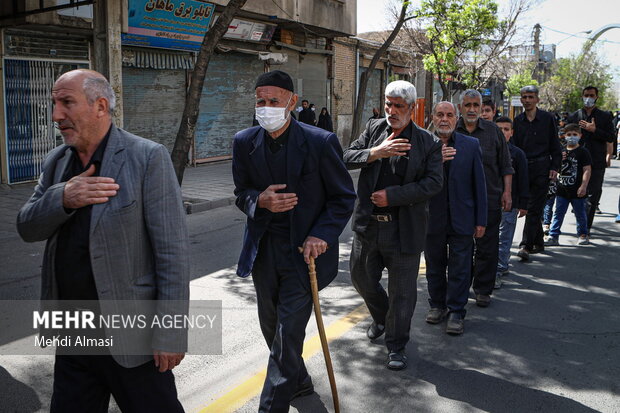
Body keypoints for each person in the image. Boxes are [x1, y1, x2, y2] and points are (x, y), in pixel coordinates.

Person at [16, 69, 189, 412]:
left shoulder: (146, 157)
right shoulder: (57, 162)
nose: (56, 116)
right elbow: (27, 227)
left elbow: (172, 253)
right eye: (54, 104)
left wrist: (170, 332)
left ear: (100, 106)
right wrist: (64, 196)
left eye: (66, 103)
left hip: (131, 337)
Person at [232, 70, 355, 412]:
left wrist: (321, 235)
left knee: (287, 337)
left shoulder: (320, 142)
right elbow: (241, 194)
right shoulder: (244, 141)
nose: (266, 107)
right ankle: (299, 381)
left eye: (273, 101)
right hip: (264, 251)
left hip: (304, 255)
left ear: (291, 102)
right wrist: (261, 201)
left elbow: (343, 197)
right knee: (270, 327)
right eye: (261, 101)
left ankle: (271, 407)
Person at [344, 80, 443, 370]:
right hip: (368, 226)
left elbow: (434, 183)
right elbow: (346, 157)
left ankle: (397, 345)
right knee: (361, 279)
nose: (392, 110)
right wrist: (376, 152)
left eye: (398, 106)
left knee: (403, 294)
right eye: (388, 104)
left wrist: (393, 196)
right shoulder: (374, 129)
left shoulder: (428, 143)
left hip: (404, 230)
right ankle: (381, 317)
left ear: (412, 108)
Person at [424, 102, 487, 335]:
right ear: (432, 117)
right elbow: (414, 180)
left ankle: (457, 311)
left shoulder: (471, 145)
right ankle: (437, 305)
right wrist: (435, 161)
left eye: (449, 115)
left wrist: (481, 220)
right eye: (439, 114)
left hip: (463, 218)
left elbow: (479, 185)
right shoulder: (423, 145)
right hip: (432, 218)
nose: (444, 119)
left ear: (456, 118)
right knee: (435, 265)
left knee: (461, 267)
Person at [456, 89, 513, 307]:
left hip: (489, 198)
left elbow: (506, 164)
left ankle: (482, 289)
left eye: (475, 105)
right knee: (461, 247)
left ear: (481, 108)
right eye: (467, 105)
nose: (471, 109)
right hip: (460, 201)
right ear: (461, 107)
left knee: (487, 247)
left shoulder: (492, 131)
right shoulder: (452, 128)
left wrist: (507, 192)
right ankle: (461, 286)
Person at [512, 85, 563, 261]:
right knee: (528, 204)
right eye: (524, 97)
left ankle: (525, 245)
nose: (527, 100)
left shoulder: (547, 119)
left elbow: (555, 145)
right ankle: (539, 242)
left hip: (542, 167)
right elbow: (515, 147)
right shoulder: (517, 121)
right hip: (523, 168)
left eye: (530, 97)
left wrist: (555, 167)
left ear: (537, 99)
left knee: (534, 208)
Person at [567, 86, 616, 235]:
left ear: (596, 97)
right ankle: (580, 218)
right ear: (582, 96)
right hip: (576, 162)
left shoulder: (605, 117)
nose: (588, 98)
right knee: (576, 193)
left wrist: (594, 130)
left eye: (591, 95)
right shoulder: (575, 116)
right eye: (586, 95)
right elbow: (566, 137)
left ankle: (585, 228)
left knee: (592, 194)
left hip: (596, 162)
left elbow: (611, 137)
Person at [495, 117, 529, 288]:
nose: (502, 132)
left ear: (512, 132)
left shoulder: (518, 154)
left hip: (510, 204)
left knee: (504, 238)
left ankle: (499, 269)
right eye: (499, 128)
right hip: (491, 203)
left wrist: (523, 204)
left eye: (506, 129)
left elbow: (523, 180)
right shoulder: (486, 150)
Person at [544, 123, 592, 245]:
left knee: (580, 213)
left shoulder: (583, 152)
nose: (571, 137)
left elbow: (587, 169)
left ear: (580, 136)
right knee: (558, 213)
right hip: (562, 189)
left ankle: (582, 234)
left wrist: (584, 186)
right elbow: (556, 168)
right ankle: (553, 235)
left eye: (574, 134)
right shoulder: (561, 151)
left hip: (577, 190)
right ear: (564, 136)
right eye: (569, 134)